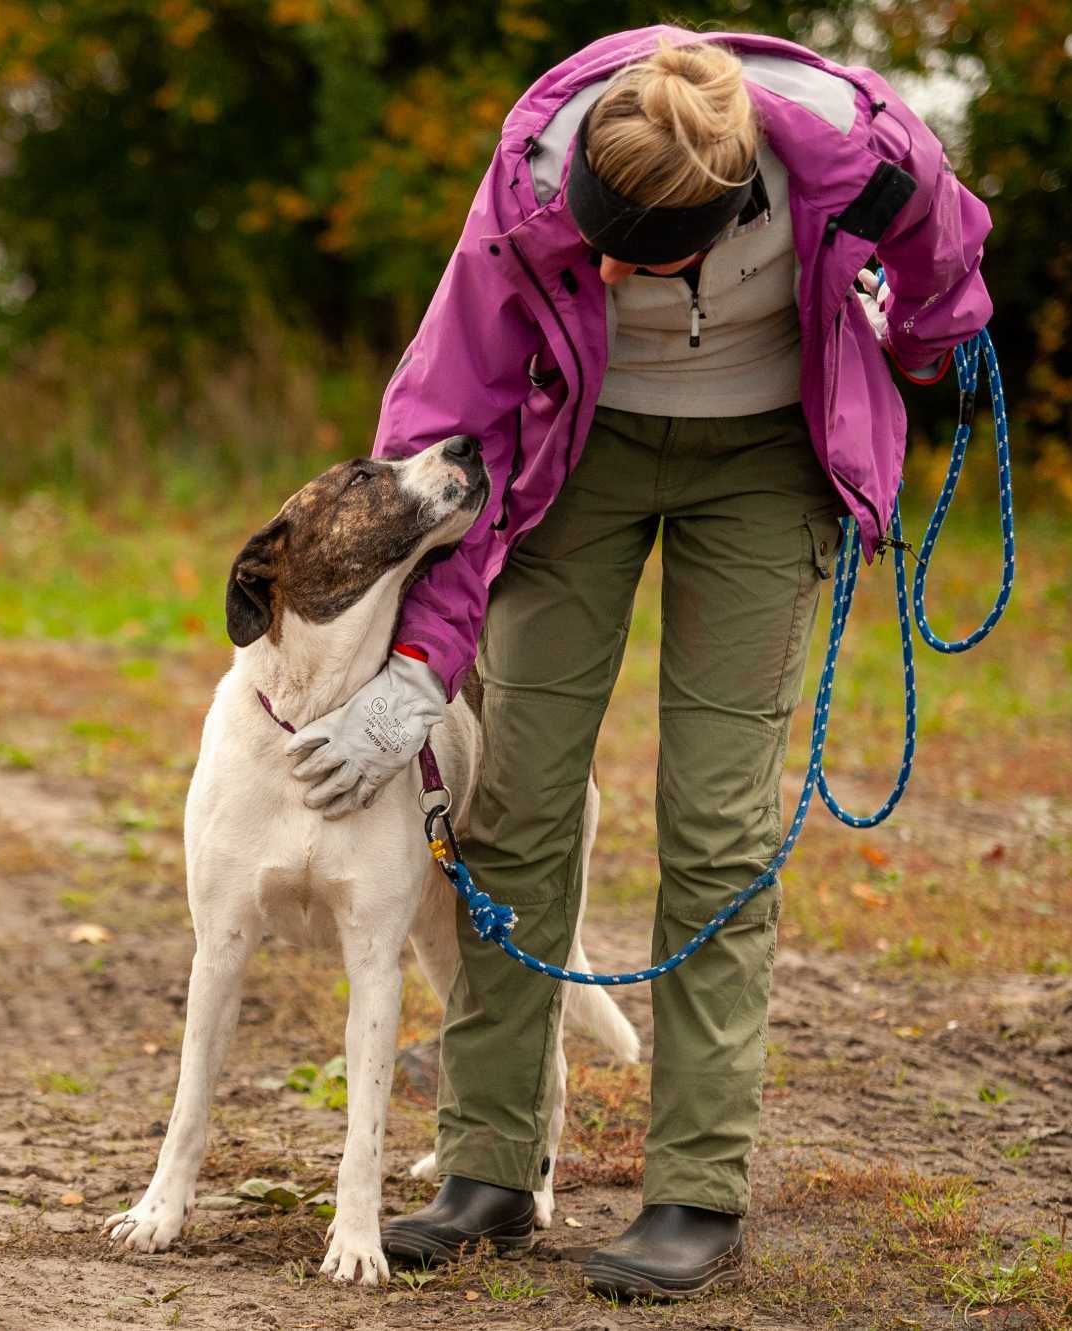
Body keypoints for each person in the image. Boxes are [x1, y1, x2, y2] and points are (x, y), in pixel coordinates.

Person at [281, 25, 992, 1302]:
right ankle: (489, 1165)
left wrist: (927, 338)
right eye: (594, 242)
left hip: (767, 461)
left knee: (716, 823)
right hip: (579, 452)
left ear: (727, 219)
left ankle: (693, 1193)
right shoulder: (535, 174)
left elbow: (948, 259)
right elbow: (444, 419)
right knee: (516, 800)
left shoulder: (864, 155)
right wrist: (416, 665)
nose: (600, 264)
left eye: (636, 255)